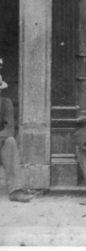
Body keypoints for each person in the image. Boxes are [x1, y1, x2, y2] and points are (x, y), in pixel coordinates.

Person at [0, 73, 34, 202]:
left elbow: (9, 130)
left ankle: (15, 190)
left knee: (10, 141)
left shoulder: (5, 103)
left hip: (0, 143)